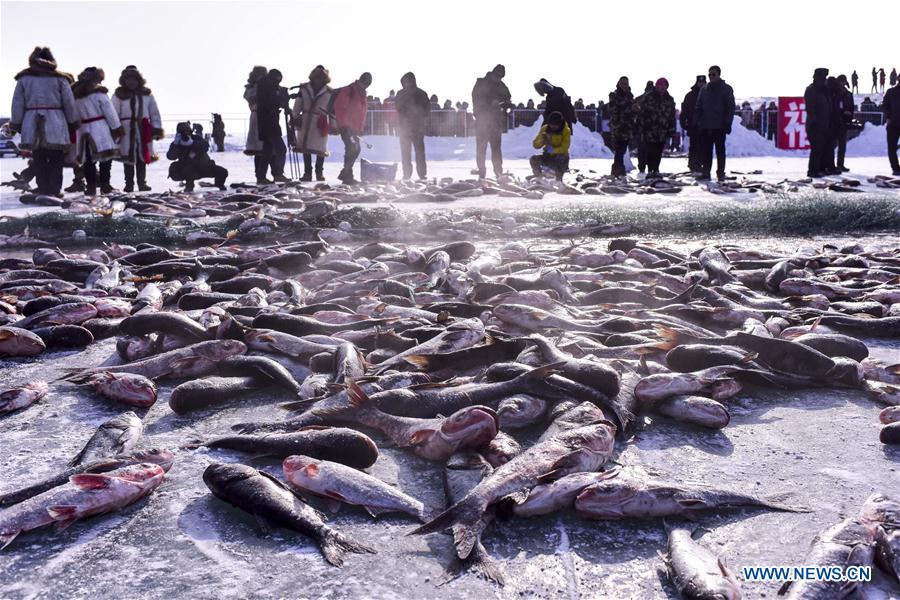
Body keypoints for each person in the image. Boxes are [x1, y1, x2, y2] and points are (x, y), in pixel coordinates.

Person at [9, 47, 79, 197]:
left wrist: (16, 123)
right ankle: (54, 189)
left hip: (31, 119)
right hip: (56, 120)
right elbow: (69, 103)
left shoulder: (24, 79)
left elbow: (17, 103)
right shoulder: (61, 79)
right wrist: (72, 122)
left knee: (39, 156)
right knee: (56, 158)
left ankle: (43, 188)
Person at [72, 67, 123, 196]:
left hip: (82, 129)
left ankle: (91, 187)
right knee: (105, 159)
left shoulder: (74, 94)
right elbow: (109, 111)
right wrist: (116, 127)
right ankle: (105, 185)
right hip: (100, 127)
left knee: (88, 161)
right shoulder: (99, 93)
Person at [111, 65, 163, 192]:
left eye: (133, 79)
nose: (131, 82)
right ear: (124, 80)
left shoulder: (147, 95)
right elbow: (113, 113)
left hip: (143, 129)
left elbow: (154, 113)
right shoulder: (119, 95)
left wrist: (156, 129)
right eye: (128, 79)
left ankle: (142, 183)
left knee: (142, 157)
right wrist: (115, 129)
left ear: (138, 80)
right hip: (126, 130)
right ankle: (129, 184)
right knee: (128, 157)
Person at [692, 65, 736, 181]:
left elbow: (730, 107)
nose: (711, 77)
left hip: (720, 126)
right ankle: (706, 172)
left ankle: (720, 173)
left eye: (713, 74)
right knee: (706, 151)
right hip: (706, 125)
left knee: (720, 150)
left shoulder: (726, 89)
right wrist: (696, 122)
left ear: (719, 75)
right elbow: (698, 106)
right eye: (709, 74)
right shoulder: (704, 89)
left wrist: (728, 123)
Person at [291, 65, 332, 182]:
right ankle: (307, 173)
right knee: (305, 147)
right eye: (317, 77)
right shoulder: (304, 88)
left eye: (320, 77)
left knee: (320, 149)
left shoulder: (329, 92)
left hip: (321, 121)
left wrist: (334, 125)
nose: (318, 80)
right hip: (306, 120)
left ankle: (319, 172)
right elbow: (298, 103)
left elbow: (332, 109)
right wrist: (295, 117)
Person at [471, 64, 512, 179]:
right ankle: (481, 171)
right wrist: (490, 102)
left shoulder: (501, 85)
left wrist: (504, 103)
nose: (499, 79)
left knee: (496, 149)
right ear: (493, 73)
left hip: (495, 122)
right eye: (498, 76)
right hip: (482, 121)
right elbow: (476, 98)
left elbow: (508, 96)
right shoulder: (481, 83)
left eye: (501, 77)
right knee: (481, 148)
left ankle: (498, 172)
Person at [332, 72, 371, 185]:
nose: (365, 86)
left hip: (354, 128)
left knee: (355, 149)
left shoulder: (362, 93)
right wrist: (344, 125)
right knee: (352, 148)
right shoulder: (349, 90)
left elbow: (361, 113)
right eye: (364, 83)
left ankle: (346, 173)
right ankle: (347, 176)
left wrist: (360, 128)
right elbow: (340, 107)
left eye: (367, 84)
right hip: (346, 127)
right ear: (360, 80)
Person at [166, 121, 228, 191]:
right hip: (189, 170)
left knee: (223, 172)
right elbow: (171, 157)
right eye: (183, 132)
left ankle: (220, 185)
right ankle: (189, 185)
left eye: (187, 132)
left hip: (204, 167)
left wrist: (192, 143)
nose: (185, 135)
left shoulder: (196, 138)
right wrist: (175, 144)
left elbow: (205, 147)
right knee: (186, 169)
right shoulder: (177, 143)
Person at [255, 68, 290, 183]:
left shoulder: (264, 86)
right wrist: (281, 97)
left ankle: (261, 176)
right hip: (270, 123)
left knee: (267, 151)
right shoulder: (267, 88)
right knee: (281, 149)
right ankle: (277, 174)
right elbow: (271, 102)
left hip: (268, 123)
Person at [394, 72, 430, 180]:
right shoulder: (400, 93)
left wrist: (419, 116)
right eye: (404, 82)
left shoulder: (421, 93)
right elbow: (398, 107)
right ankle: (407, 174)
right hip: (405, 128)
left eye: (408, 81)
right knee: (405, 153)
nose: (406, 84)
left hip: (417, 128)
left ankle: (422, 174)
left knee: (419, 153)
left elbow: (427, 109)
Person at [639, 78, 676, 178]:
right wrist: (642, 127)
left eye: (664, 86)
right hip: (650, 130)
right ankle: (651, 169)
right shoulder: (648, 97)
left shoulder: (669, 99)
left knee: (659, 151)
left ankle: (656, 169)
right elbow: (642, 113)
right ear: (656, 86)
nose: (662, 87)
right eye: (660, 85)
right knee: (650, 150)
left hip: (663, 130)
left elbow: (672, 116)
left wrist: (672, 130)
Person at [804, 68, 832, 178]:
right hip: (814, 125)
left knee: (823, 148)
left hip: (825, 124)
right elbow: (810, 108)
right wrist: (817, 122)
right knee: (816, 149)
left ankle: (821, 168)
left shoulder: (824, 90)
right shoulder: (811, 90)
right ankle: (813, 170)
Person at [607, 76, 637, 177]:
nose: (624, 85)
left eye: (626, 83)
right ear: (619, 84)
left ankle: (618, 169)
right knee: (619, 149)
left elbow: (631, 111)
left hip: (627, 127)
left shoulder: (630, 96)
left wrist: (635, 111)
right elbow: (614, 110)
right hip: (618, 126)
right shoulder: (614, 95)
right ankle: (618, 169)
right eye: (622, 83)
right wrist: (630, 109)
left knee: (622, 149)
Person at [529, 111, 570, 180]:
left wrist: (553, 150)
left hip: (560, 158)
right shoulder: (545, 128)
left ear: (559, 124)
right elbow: (535, 145)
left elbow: (564, 148)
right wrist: (543, 140)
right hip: (547, 156)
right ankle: (539, 177)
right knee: (534, 159)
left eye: (555, 125)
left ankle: (558, 179)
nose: (552, 127)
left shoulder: (566, 131)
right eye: (551, 124)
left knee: (561, 158)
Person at [680, 75, 706, 172]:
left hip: (705, 126)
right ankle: (693, 165)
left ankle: (702, 165)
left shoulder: (709, 94)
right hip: (693, 125)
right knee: (694, 147)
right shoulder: (690, 95)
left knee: (704, 147)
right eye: (700, 82)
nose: (701, 84)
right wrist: (684, 123)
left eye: (703, 82)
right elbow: (685, 110)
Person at [243, 66, 267, 160]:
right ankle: (260, 172)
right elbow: (250, 97)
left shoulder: (264, 86)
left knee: (264, 145)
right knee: (258, 146)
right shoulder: (251, 88)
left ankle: (273, 172)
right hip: (257, 115)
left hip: (265, 115)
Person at [833, 75, 854, 172]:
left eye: (844, 81)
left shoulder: (848, 94)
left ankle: (840, 164)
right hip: (835, 122)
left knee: (842, 146)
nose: (842, 83)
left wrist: (849, 115)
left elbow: (851, 107)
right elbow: (833, 107)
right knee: (832, 145)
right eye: (841, 81)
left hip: (844, 122)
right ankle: (830, 165)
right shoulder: (834, 92)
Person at [634, 81, 654, 174]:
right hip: (651, 128)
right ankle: (650, 168)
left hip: (641, 128)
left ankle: (642, 167)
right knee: (651, 149)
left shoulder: (639, 99)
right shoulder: (655, 99)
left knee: (642, 149)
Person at [884, 77, 900, 175]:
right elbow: (884, 105)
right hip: (893, 124)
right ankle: (895, 168)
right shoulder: (891, 92)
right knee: (892, 148)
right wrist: (889, 116)